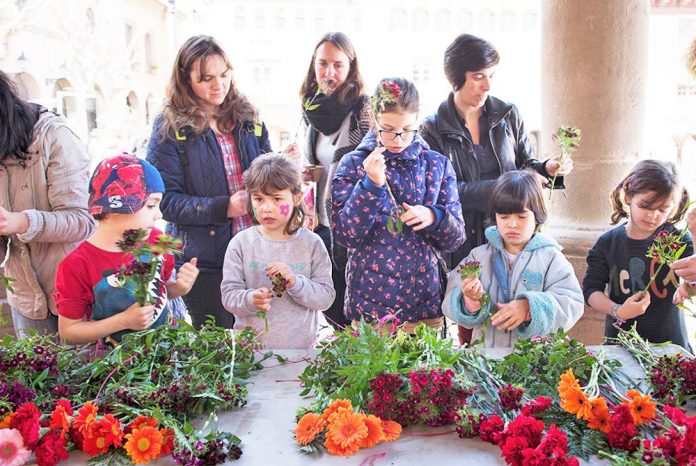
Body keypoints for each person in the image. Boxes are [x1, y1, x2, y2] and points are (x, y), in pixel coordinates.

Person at [420, 33, 573, 345]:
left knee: (519, 320)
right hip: (463, 242)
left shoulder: (508, 113)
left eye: (490, 76)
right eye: (478, 77)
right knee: (472, 321)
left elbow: (523, 163)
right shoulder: (432, 128)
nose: (487, 86)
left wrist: (546, 169)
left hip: (513, 234)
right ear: (455, 78)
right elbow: (443, 194)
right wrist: (502, 187)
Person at [147, 35, 271, 329]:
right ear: (185, 79)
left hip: (256, 253)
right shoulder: (170, 127)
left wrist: (281, 170)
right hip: (204, 264)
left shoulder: (248, 118)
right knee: (217, 352)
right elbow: (164, 201)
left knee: (263, 345)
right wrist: (224, 207)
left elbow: (268, 178)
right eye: (207, 78)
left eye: (224, 75)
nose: (219, 85)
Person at [332, 77, 465, 331]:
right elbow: (345, 234)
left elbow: (456, 239)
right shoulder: (352, 163)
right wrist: (370, 186)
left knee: (426, 372)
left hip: (424, 307)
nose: (398, 139)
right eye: (388, 129)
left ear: (418, 121)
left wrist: (434, 217)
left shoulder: (436, 164)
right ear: (373, 118)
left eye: (407, 129)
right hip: (371, 311)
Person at [55, 154, 199, 344]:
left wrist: (178, 288)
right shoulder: (75, 265)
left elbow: (162, 289)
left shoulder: (157, 239)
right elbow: (68, 332)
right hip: (112, 367)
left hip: (167, 354)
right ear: (117, 206)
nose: (159, 214)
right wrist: (122, 321)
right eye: (150, 205)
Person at [0, 70, 95, 337]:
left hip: (73, 297)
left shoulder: (53, 136)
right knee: (33, 378)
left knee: (81, 377)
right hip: (25, 300)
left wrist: (21, 222)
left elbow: (81, 220)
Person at [442, 170, 584, 347]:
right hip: (486, 362)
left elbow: (571, 302)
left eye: (522, 216)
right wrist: (470, 300)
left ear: (538, 215)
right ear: (495, 217)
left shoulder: (551, 258)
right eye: (504, 216)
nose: (512, 224)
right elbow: (450, 300)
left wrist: (529, 308)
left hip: (534, 364)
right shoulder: (477, 257)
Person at [220, 154, 335, 348]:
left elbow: (325, 298)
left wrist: (295, 283)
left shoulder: (311, 244)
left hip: (300, 355)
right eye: (258, 199)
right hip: (250, 355)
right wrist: (250, 299)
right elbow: (229, 296)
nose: (266, 208)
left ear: (297, 197)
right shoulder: (241, 243)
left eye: (277, 198)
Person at [298, 32, 371, 329]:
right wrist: (306, 171)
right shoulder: (310, 108)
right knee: (329, 303)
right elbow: (315, 162)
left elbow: (374, 166)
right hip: (320, 224)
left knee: (355, 309)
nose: (329, 72)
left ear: (351, 68)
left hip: (353, 226)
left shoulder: (363, 110)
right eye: (322, 63)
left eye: (338, 65)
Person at [583, 160, 693, 349]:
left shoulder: (678, 240)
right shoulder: (608, 243)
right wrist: (618, 310)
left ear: (673, 207)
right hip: (620, 345)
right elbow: (591, 291)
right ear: (628, 197)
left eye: (662, 210)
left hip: (670, 345)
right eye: (645, 206)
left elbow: (692, 281)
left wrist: (690, 288)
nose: (653, 216)